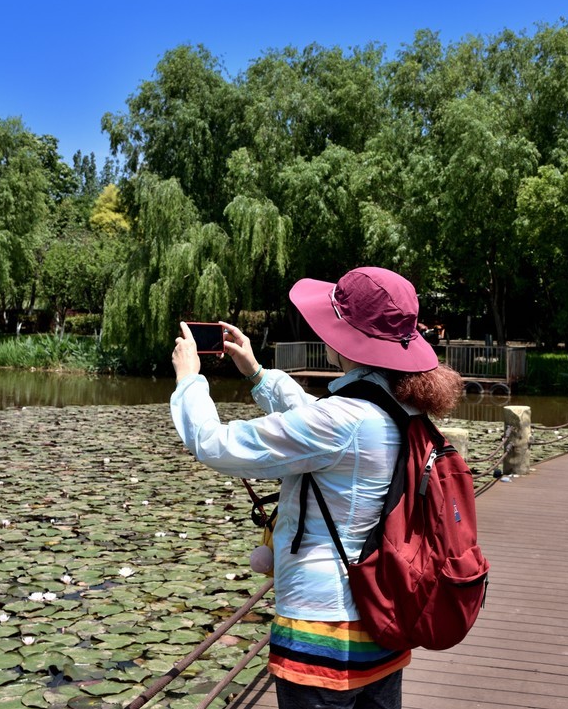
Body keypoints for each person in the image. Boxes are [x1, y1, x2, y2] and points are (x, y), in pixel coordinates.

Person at [170, 266, 464, 709]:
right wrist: (255, 373)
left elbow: (215, 445)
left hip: (322, 628)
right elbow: (313, 416)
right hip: (382, 617)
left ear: (343, 336)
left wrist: (190, 379)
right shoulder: (401, 408)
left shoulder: (341, 421)